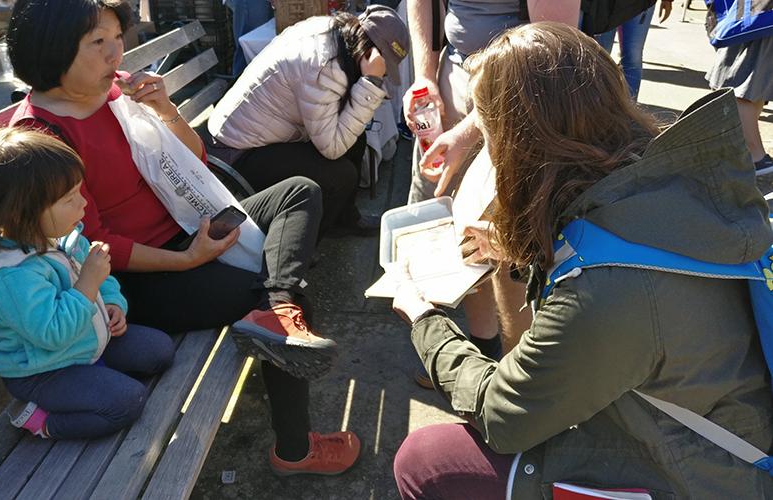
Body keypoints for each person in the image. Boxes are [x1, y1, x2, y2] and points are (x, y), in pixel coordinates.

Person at [392, 22, 773, 498]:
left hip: (705, 475)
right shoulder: (660, 180)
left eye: (489, 141)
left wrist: (425, 320)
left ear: (522, 148)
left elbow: (503, 415)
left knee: (425, 462)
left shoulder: (607, 289)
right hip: (725, 424)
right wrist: (524, 251)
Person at [5, 0, 362, 475]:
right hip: (134, 279)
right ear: (52, 50)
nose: (117, 54)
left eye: (117, 38)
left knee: (299, 194)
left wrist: (165, 110)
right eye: (99, 43)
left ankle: (279, 308)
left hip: (188, 227)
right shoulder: (41, 138)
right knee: (275, 294)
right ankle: (294, 452)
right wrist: (188, 260)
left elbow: (192, 161)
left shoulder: (113, 94)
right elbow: (92, 244)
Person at [400, 0, 579, 388]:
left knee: (509, 248)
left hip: (523, 95)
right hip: (469, 81)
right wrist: (424, 76)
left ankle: (517, 383)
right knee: (468, 237)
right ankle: (481, 352)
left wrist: (468, 132)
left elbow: (552, 55)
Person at [0, 128, 176, 440]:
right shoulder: (11, 279)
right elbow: (52, 334)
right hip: (45, 370)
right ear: (22, 211)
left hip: (85, 341)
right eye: (69, 199)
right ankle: (42, 422)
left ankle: (94, 381)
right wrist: (88, 282)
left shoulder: (61, 238)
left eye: (79, 192)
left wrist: (113, 303)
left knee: (160, 351)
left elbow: (103, 282)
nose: (83, 204)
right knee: (128, 402)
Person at [207, 6, 410, 239]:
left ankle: (345, 218)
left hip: (255, 133)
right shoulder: (323, 67)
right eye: (384, 69)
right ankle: (305, 243)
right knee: (341, 174)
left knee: (356, 137)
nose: (383, 75)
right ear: (368, 55)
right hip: (237, 152)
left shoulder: (335, 32)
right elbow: (332, 148)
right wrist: (371, 84)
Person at [707, 33, 773, 174]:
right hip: (761, 22)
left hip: (754, 22)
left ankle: (754, 155)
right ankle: (742, 151)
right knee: (753, 87)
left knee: (734, 90)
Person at [595, 1, 672, 100]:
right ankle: (595, 106)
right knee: (599, 57)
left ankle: (629, 110)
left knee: (633, 58)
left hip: (640, 5)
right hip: (605, 5)